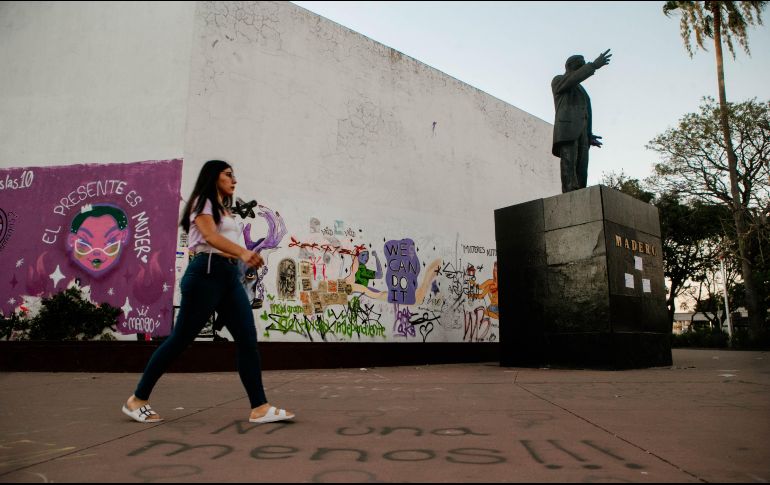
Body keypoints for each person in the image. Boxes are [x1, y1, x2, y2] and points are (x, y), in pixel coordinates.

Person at [122, 160, 294, 424]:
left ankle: (260, 407)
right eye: (228, 174)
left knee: (247, 339)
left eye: (234, 175)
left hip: (227, 276)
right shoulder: (203, 202)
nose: (234, 179)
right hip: (205, 275)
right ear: (214, 176)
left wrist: (240, 257)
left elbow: (222, 246)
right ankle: (137, 399)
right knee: (180, 340)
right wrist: (243, 252)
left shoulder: (225, 211)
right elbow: (210, 239)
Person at [551, 49, 612, 193]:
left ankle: (581, 192)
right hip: (567, 130)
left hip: (583, 133)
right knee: (569, 164)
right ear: (570, 66)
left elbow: (585, 112)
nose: (584, 65)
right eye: (581, 64)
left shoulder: (581, 90)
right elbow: (572, 79)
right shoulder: (559, 80)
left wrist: (589, 134)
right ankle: (570, 191)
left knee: (582, 168)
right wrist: (593, 66)